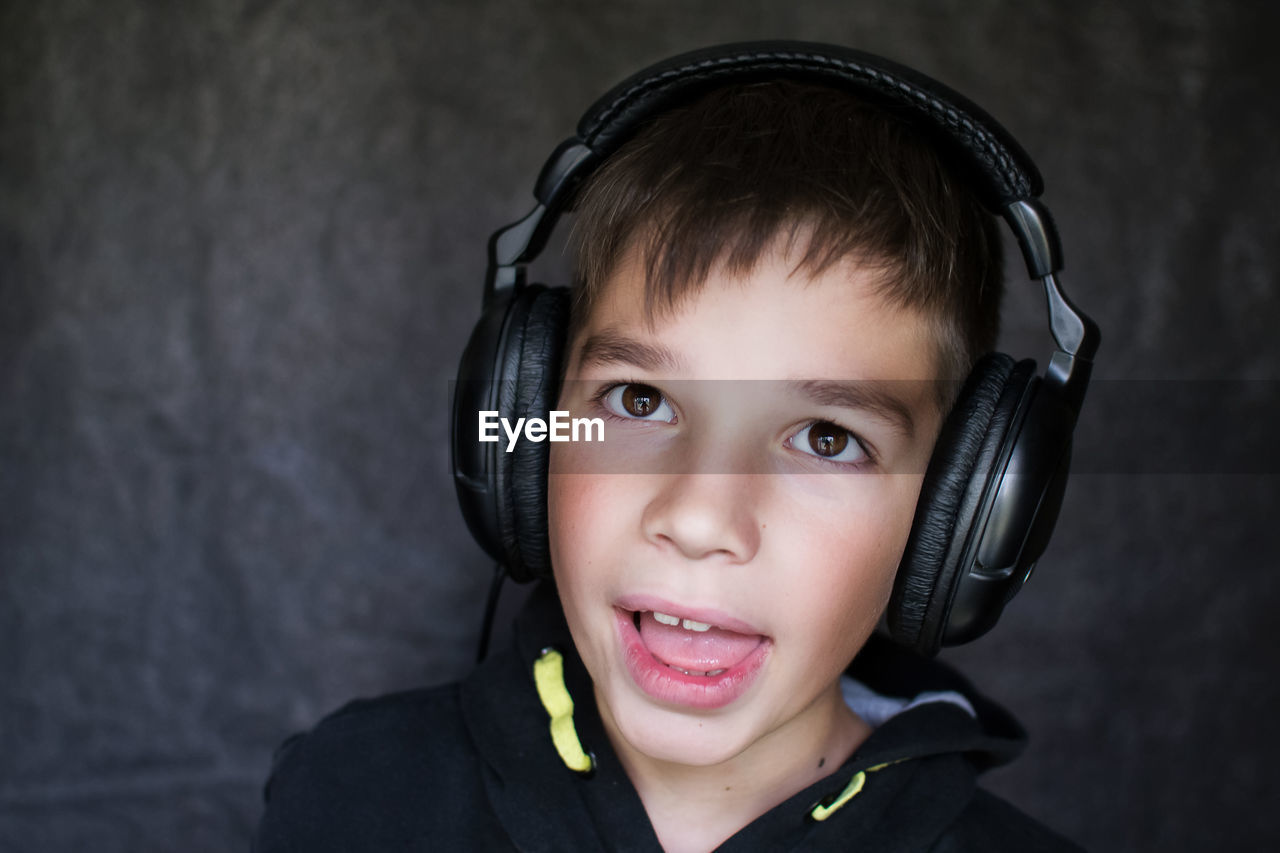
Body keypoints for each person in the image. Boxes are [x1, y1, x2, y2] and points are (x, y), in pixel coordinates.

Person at [255, 42, 1095, 852]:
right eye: (640, 400)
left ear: (962, 519)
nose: (699, 517)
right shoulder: (347, 792)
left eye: (827, 438)